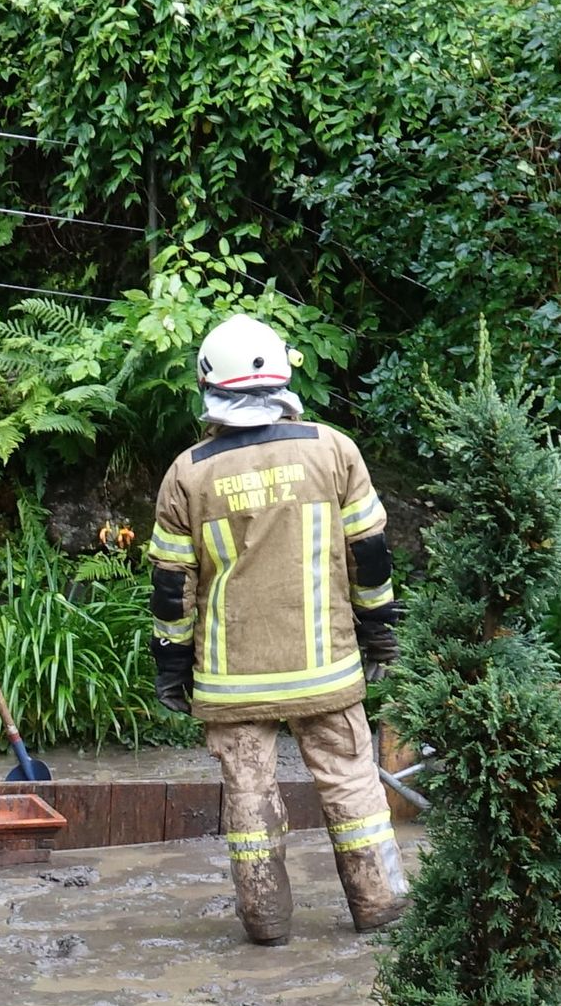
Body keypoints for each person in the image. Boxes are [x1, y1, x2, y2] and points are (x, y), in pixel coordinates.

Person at [146, 315, 405, 943]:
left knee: (249, 796)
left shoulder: (188, 472)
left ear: (210, 385)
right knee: (352, 783)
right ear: (284, 376)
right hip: (328, 669)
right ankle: (378, 906)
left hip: (232, 682)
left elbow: (170, 588)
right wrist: (380, 635)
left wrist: (172, 668)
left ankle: (265, 922)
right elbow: (368, 558)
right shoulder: (334, 450)